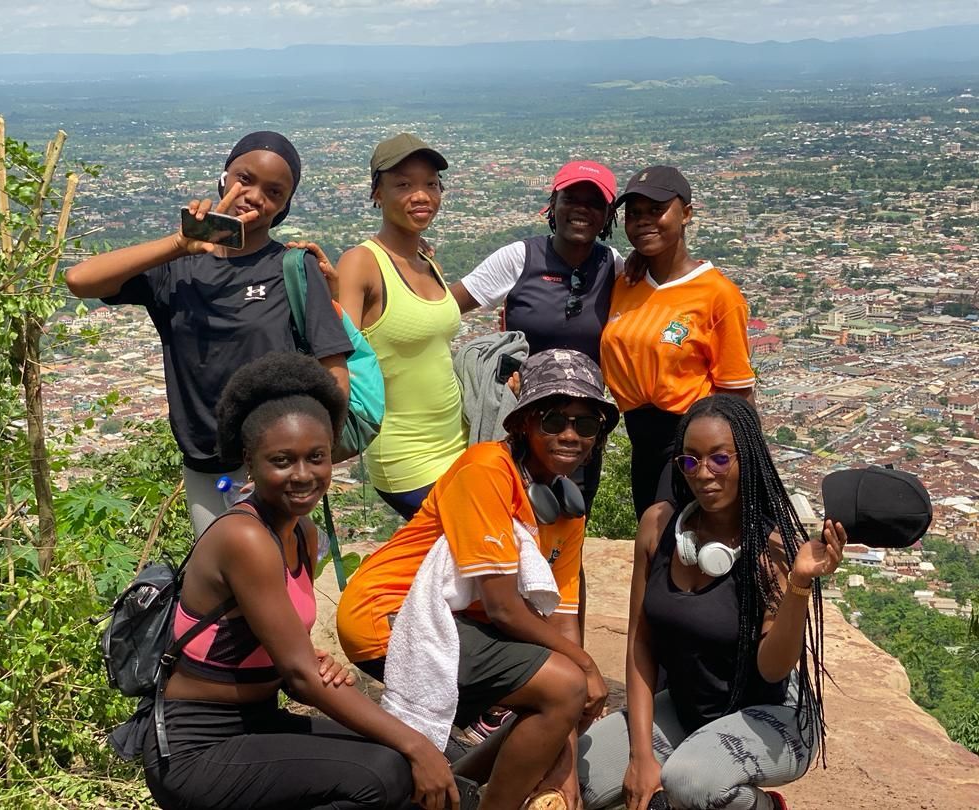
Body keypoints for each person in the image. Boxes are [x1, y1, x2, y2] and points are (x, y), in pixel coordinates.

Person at [142, 352, 458, 810]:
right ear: (250, 462)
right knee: (387, 771)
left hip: (257, 723)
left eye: (316, 457)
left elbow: (291, 662)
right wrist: (417, 744)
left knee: (403, 759)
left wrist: (311, 661)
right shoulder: (246, 538)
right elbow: (299, 677)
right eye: (282, 461)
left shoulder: (302, 533)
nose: (303, 475)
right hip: (197, 746)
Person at [337, 348, 621, 810]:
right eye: (554, 420)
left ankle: (454, 789)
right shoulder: (487, 469)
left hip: (460, 621)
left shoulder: (566, 509)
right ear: (525, 423)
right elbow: (503, 607)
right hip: (390, 615)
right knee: (566, 685)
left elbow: (562, 621)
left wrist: (565, 764)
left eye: (586, 424)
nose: (571, 435)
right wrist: (586, 669)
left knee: (564, 692)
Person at [65, 132, 351, 537]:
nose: (254, 196)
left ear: (284, 205)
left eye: (274, 192)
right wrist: (180, 243)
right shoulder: (177, 269)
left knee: (275, 566)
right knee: (223, 567)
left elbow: (333, 370)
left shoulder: (293, 268)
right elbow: (79, 280)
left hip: (279, 461)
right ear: (223, 177)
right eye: (245, 179)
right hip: (205, 459)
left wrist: (314, 457)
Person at [577, 394, 841, 810]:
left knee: (688, 783)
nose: (703, 474)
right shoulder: (658, 525)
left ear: (747, 460)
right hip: (688, 710)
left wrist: (799, 584)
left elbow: (773, 668)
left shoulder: (772, 548)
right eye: (690, 461)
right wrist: (640, 755)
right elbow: (641, 642)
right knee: (580, 776)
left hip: (772, 714)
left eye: (719, 460)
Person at [451, 160, 621, 516]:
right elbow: (443, 309)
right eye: (571, 198)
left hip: (581, 429)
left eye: (594, 203)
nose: (581, 209)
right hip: (522, 419)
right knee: (511, 515)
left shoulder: (613, 266)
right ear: (553, 204)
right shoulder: (520, 258)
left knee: (571, 519)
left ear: (608, 215)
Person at [317, 132, 467, 521]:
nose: (421, 195)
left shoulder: (427, 261)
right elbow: (338, 351)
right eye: (403, 185)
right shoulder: (362, 262)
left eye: (431, 184)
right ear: (377, 194)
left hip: (458, 442)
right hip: (406, 455)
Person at [599, 166, 756, 519]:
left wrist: (745, 464)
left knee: (668, 532)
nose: (643, 221)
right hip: (641, 439)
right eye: (634, 213)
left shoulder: (717, 294)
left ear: (686, 214)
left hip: (691, 440)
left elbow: (738, 391)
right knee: (653, 533)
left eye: (656, 210)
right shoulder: (626, 284)